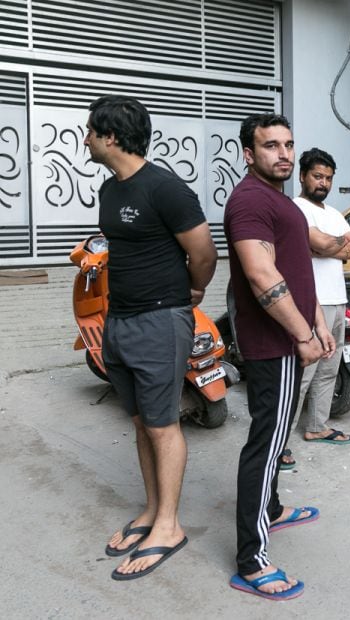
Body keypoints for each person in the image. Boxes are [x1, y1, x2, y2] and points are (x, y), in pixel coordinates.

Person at [85, 95, 218, 580]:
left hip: (161, 321)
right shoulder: (109, 189)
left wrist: (193, 291)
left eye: (90, 131)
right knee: (142, 423)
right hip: (119, 321)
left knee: (163, 426)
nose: (85, 139)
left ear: (111, 136)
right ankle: (151, 511)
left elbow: (204, 252)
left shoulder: (165, 188)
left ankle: (169, 526)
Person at [223, 113, 336, 600]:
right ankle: (251, 559)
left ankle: (269, 509)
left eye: (288, 144)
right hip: (272, 343)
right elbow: (262, 276)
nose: (284, 154)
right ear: (249, 154)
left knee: (272, 433)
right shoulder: (250, 201)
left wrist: (316, 321)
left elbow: (293, 265)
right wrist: (302, 336)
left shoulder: (279, 199)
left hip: (290, 333)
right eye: (270, 146)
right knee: (266, 445)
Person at [278, 148, 350, 469]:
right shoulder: (295, 209)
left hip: (337, 299)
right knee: (302, 374)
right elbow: (335, 245)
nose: (323, 183)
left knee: (329, 368)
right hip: (309, 302)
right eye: (317, 176)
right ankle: (279, 442)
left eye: (328, 178)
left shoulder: (333, 213)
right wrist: (335, 245)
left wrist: (325, 245)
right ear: (302, 176)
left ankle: (316, 426)